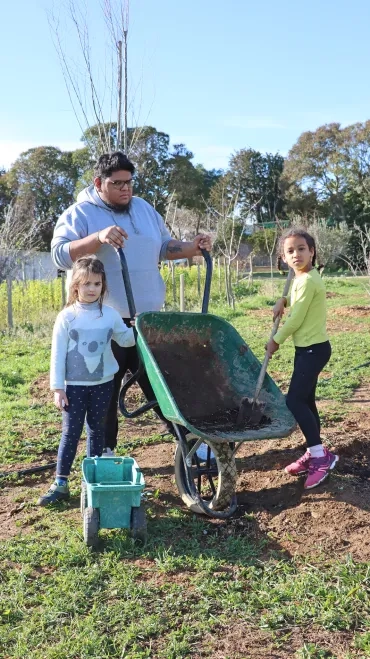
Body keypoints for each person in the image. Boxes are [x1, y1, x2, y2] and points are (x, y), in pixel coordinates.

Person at [51, 151, 212, 455]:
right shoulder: (80, 213)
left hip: (147, 321)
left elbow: (164, 247)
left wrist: (192, 247)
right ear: (99, 183)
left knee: (164, 386)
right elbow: (60, 254)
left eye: (130, 183)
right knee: (105, 393)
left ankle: (189, 444)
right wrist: (98, 237)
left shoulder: (144, 210)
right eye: (117, 184)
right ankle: (105, 452)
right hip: (102, 324)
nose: (126, 189)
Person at [38, 256, 135, 506]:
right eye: (86, 284)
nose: (92, 289)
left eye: (97, 284)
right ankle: (60, 482)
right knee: (70, 432)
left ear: (103, 286)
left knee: (97, 431)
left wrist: (136, 328)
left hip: (103, 384)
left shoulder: (110, 315)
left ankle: (90, 482)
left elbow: (126, 341)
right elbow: (58, 354)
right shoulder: (67, 317)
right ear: (75, 286)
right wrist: (57, 388)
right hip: (74, 387)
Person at [266, 228, 338, 490]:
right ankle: (314, 449)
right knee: (306, 400)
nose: (296, 254)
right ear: (284, 257)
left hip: (313, 350)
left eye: (301, 249)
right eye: (290, 251)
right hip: (307, 349)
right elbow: (295, 300)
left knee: (293, 400)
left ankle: (320, 456)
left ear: (312, 251)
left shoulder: (308, 280)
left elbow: (296, 319)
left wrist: (276, 340)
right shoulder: (301, 278)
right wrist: (282, 298)